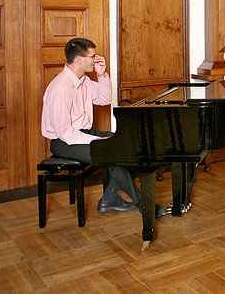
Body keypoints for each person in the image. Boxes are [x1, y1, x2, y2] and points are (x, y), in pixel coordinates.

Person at [41, 38, 166, 217]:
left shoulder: (82, 80)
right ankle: (144, 206)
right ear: (79, 59)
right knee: (111, 155)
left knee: (129, 144)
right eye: (92, 56)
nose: (96, 59)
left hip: (82, 134)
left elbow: (104, 100)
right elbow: (65, 133)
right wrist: (100, 140)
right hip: (63, 142)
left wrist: (101, 75)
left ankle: (109, 198)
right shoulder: (61, 87)